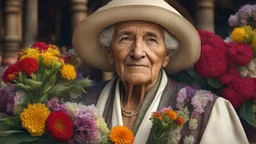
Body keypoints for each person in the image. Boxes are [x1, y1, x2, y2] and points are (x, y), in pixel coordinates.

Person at [72, 0, 249, 143]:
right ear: (110, 52)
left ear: (166, 55)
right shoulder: (78, 106)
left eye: (151, 40)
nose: (138, 52)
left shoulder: (208, 112)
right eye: (125, 38)